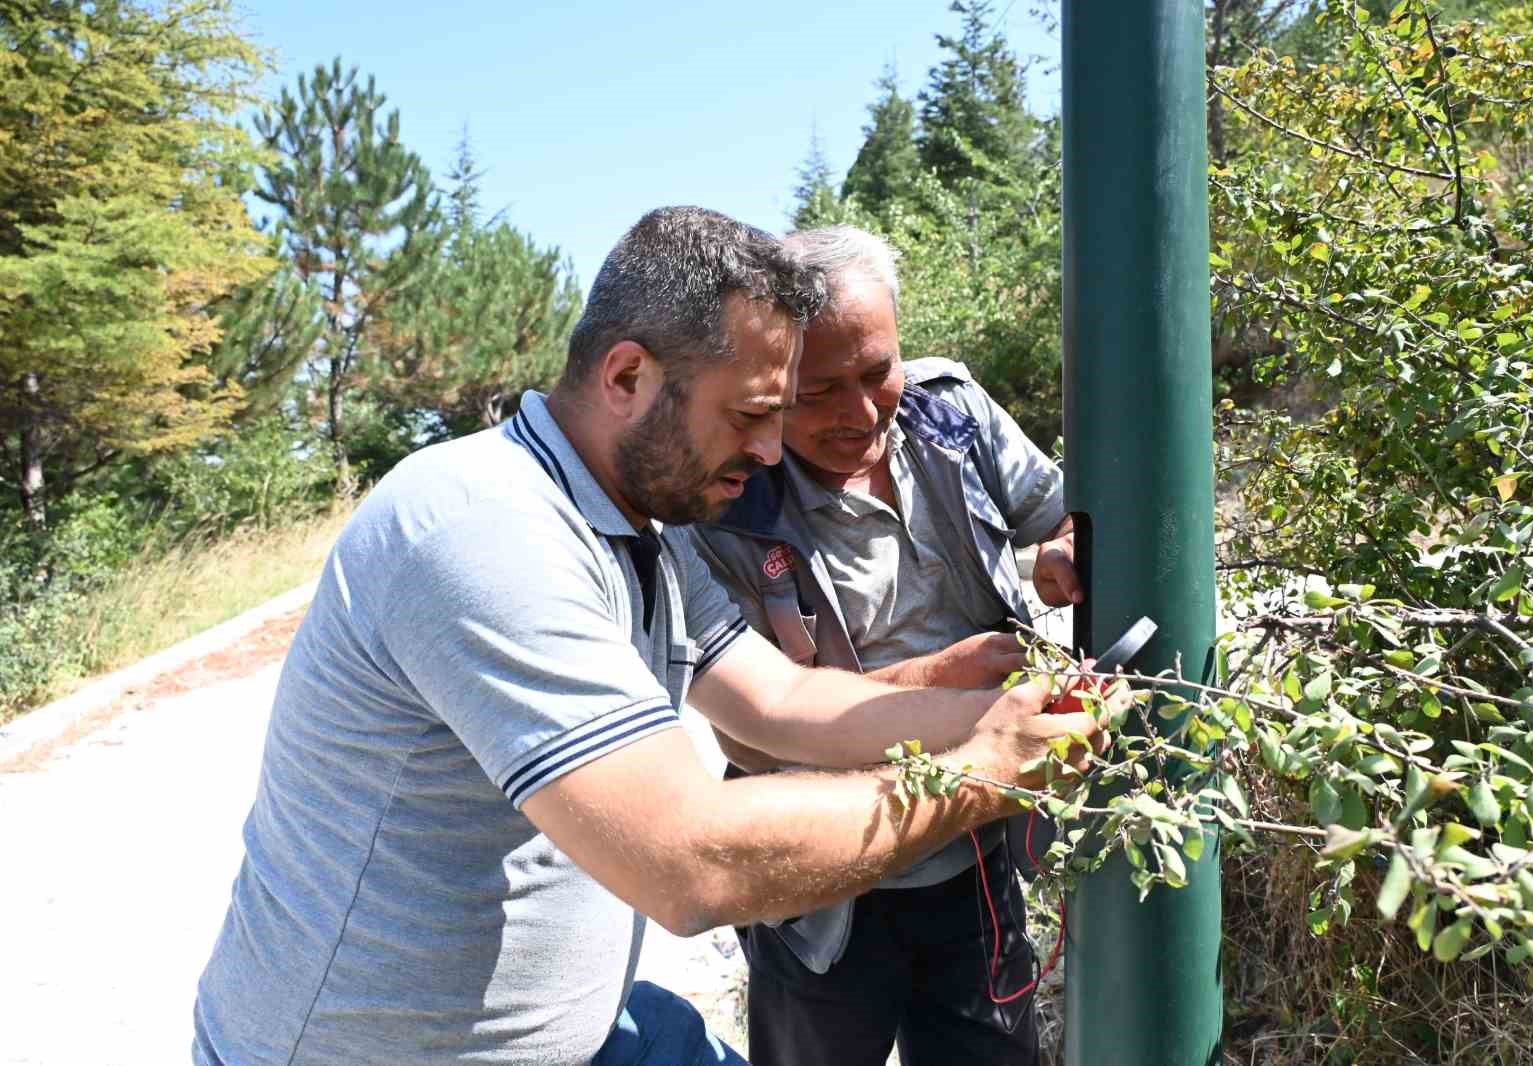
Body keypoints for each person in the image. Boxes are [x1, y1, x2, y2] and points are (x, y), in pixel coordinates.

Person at [190, 206, 1101, 1066]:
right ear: (628, 377)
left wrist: (993, 714)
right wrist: (986, 775)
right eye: (750, 414)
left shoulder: (646, 536)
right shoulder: (485, 529)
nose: (772, 453)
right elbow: (688, 862)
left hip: (585, 1034)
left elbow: (782, 698)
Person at [689, 224, 1082, 1066]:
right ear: (770, 384)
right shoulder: (726, 505)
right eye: (821, 391)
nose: (860, 413)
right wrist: (944, 680)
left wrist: (1062, 547)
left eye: (878, 374)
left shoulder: (954, 416)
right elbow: (748, 734)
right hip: (823, 891)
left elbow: (1061, 515)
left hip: (977, 854)